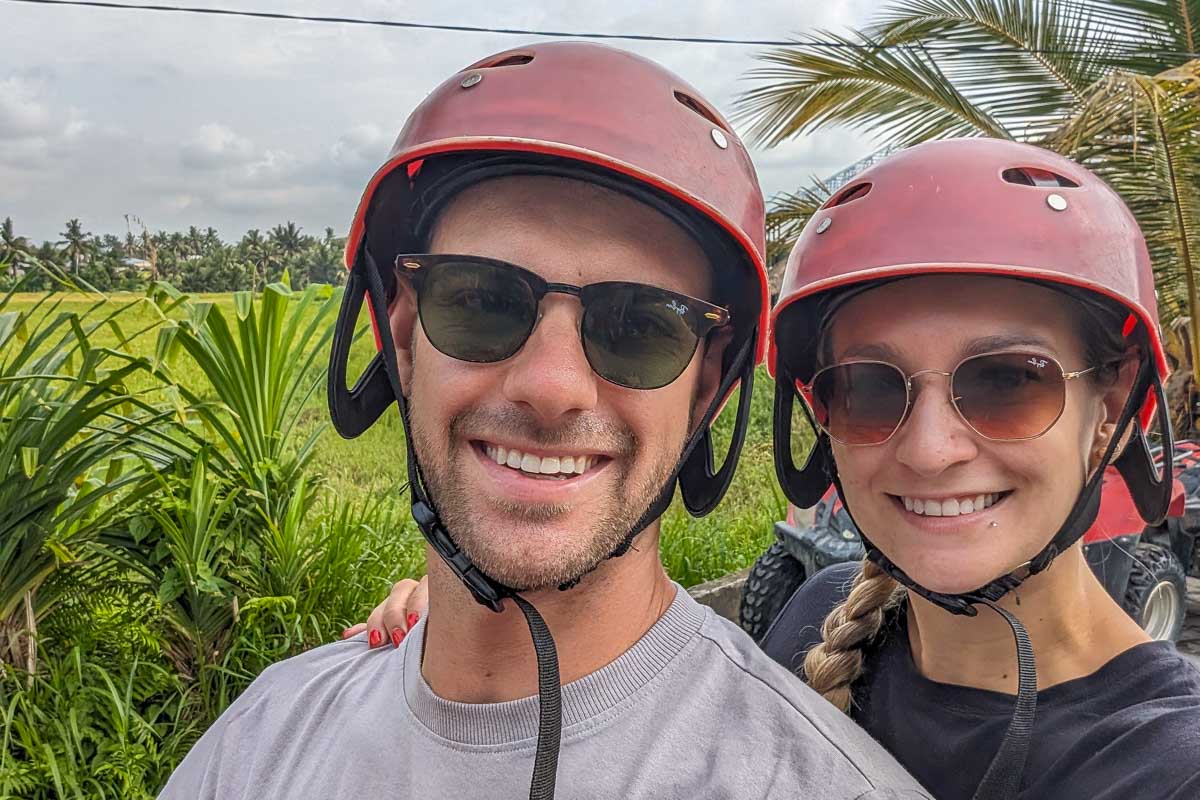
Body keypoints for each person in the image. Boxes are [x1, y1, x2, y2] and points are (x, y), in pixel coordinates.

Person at [158, 42, 929, 800]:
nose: (553, 387)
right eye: (481, 301)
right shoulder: (264, 736)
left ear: (706, 387)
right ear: (399, 334)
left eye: (640, 326)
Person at [361, 138, 1200, 800]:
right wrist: (492, 616)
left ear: (1111, 410)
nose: (931, 447)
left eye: (1009, 381)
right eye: (869, 388)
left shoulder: (1169, 760)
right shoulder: (817, 614)